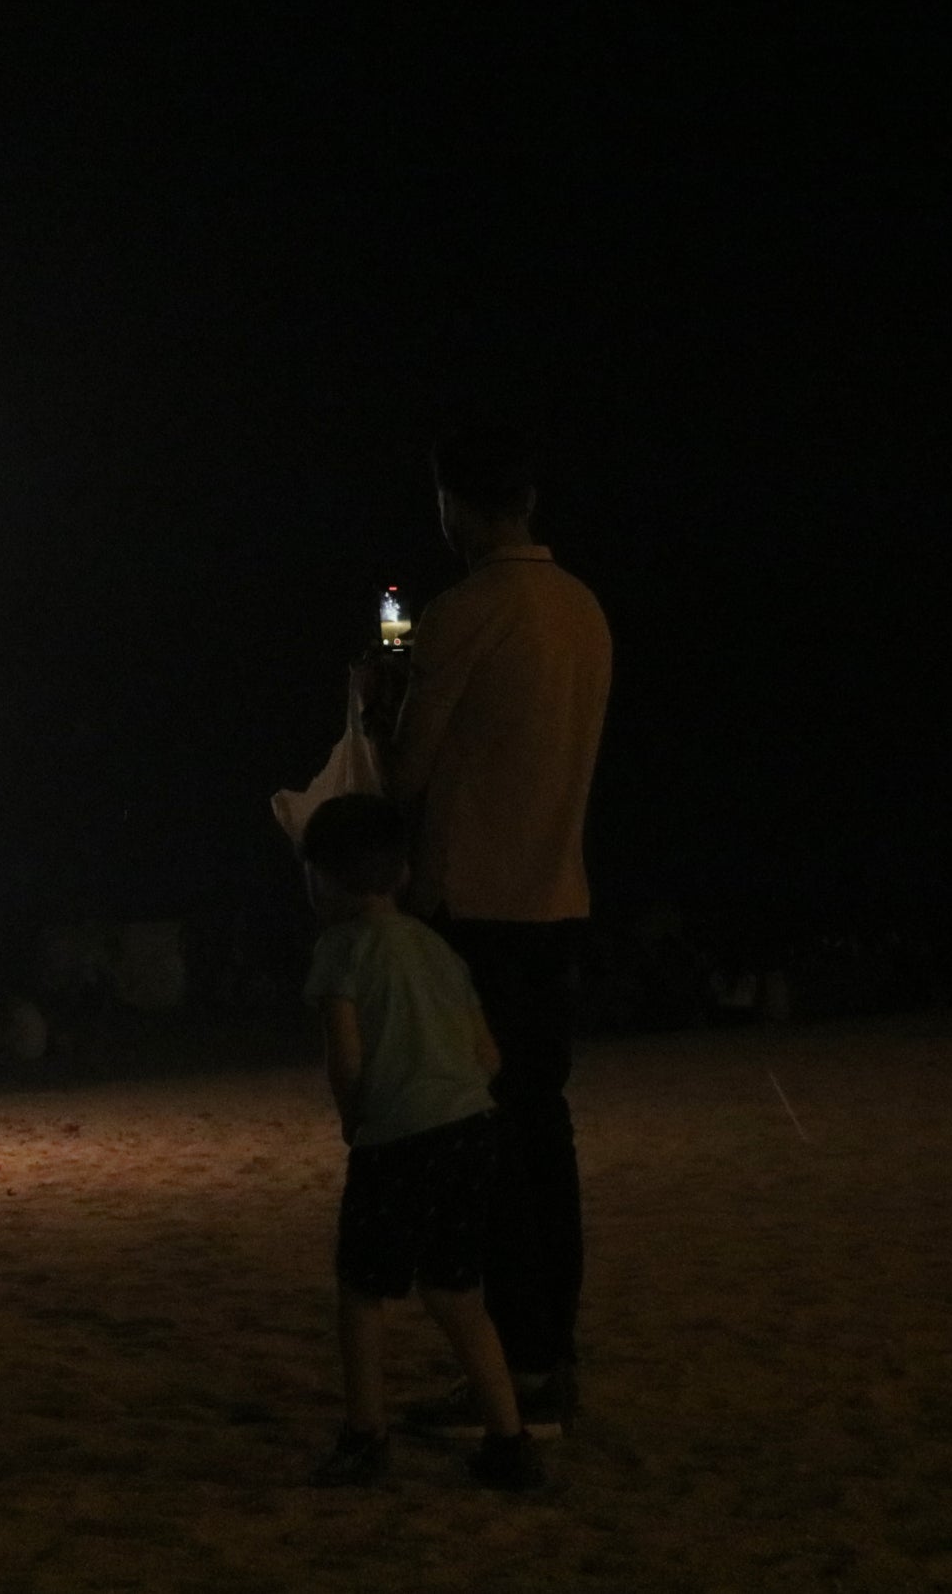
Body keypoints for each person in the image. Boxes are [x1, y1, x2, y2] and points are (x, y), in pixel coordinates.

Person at [363, 423, 612, 1438]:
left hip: (476, 912)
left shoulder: (465, 612)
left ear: (455, 505)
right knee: (543, 1140)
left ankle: (506, 1373)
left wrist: (386, 703)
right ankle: (550, 1356)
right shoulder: (583, 610)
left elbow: (405, 774)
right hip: (555, 899)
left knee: (483, 1151)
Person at [299, 793, 545, 1491]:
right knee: (457, 1288)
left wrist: (355, 1119)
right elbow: (488, 1054)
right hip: (472, 1131)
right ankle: (508, 1438)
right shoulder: (438, 947)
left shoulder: (339, 950)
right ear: (403, 873)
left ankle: (365, 1434)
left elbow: (344, 1057)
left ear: (321, 878)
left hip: (398, 1140)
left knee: (362, 1290)